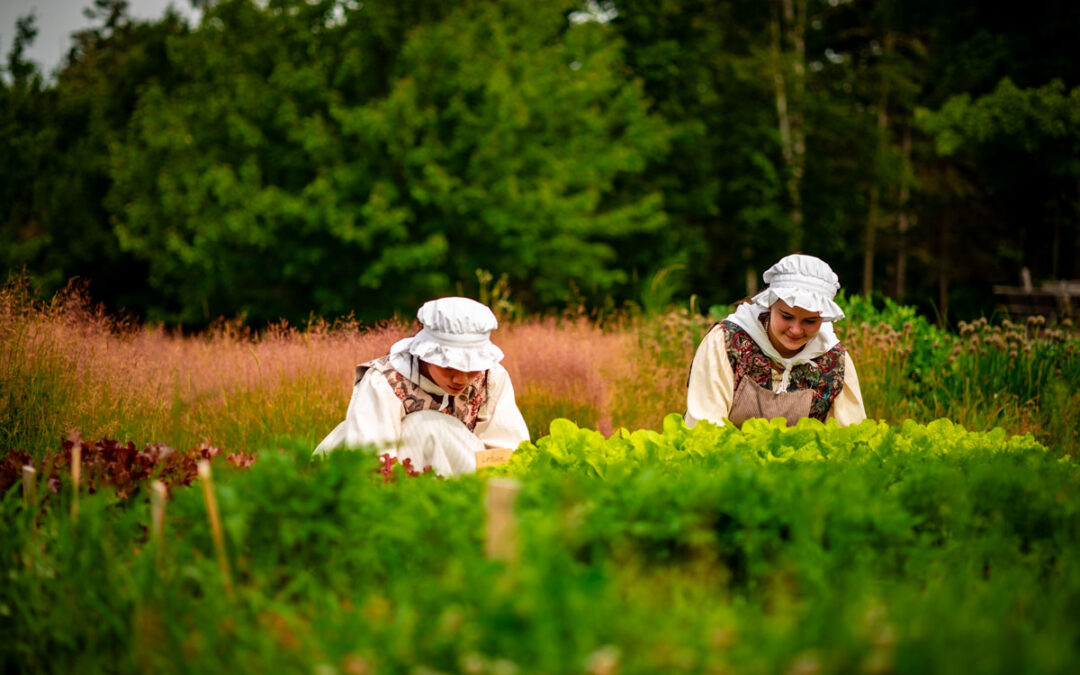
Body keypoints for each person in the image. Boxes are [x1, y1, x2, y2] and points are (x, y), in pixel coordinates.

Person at [314, 297, 530, 476]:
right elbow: (372, 458)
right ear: (427, 354)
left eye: (471, 368)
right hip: (381, 482)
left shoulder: (492, 378)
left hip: (459, 484)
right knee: (425, 427)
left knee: (433, 430)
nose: (461, 379)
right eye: (450, 367)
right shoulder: (384, 382)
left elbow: (509, 453)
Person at [685, 254, 866, 428]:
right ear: (770, 303)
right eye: (786, 316)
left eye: (810, 321)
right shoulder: (726, 343)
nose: (795, 330)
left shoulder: (834, 362)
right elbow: (704, 427)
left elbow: (849, 437)